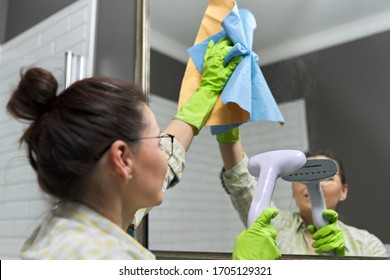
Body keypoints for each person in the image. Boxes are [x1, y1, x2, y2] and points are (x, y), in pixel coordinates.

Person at [217, 127, 387, 258]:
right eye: (301, 176)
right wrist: (228, 133)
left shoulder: (367, 244)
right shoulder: (273, 225)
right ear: (293, 190)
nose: (315, 183)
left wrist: (345, 263)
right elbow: (243, 184)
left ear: (343, 191)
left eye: (328, 178)